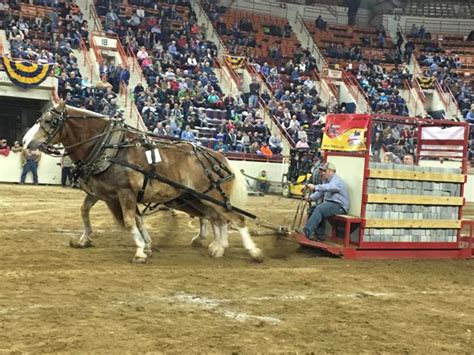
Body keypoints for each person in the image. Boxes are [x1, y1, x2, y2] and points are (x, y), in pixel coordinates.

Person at [300, 162, 349, 241]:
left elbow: (328, 187)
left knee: (320, 209)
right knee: (313, 209)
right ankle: (319, 235)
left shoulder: (337, 181)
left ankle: (306, 232)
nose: (322, 173)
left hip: (340, 206)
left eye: (324, 171)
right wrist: (310, 198)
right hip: (331, 204)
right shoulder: (326, 181)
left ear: (330, 171)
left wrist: (315, 187)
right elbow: (321, 192)